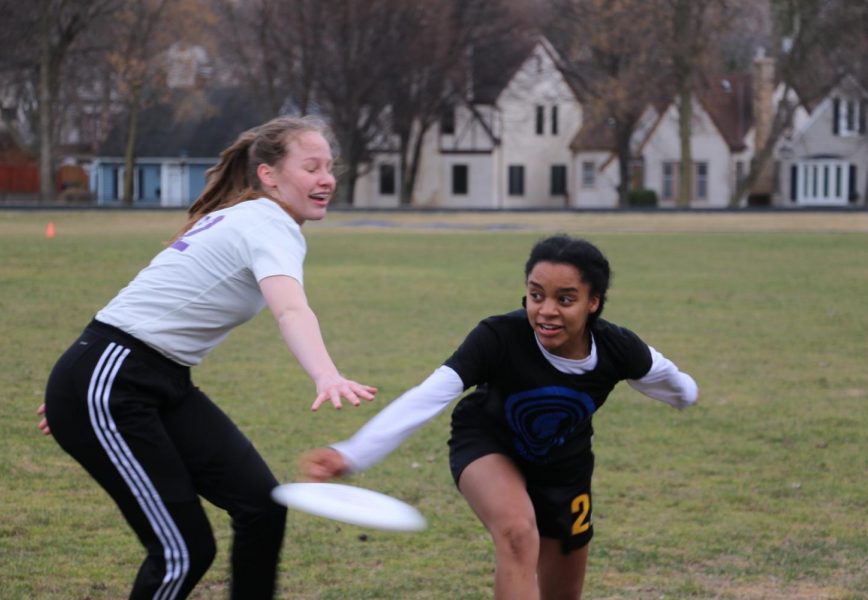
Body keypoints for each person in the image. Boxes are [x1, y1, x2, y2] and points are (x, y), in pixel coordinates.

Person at [36, 115, 376, 599]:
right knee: (183, 551)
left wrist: (80, 391)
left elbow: (157, 298)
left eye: (330, 168)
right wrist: (326, 374)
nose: (326, 179)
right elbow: (290, 309)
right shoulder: (268, 222)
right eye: (311, 167)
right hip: (116, 381)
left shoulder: (249, 216)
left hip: (137, 379)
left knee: (261, 504)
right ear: (269, 175)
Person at [302, 234, 698, 600]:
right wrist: (352, 454)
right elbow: (428, 396)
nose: (546, 311)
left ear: (593, 302)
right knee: (517, 534)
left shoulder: (618, 347)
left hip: (565, 466)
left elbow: (672, 381)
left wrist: (685, 397)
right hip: (488, 443)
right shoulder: (497, 337)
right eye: (536, 295)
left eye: (565, 299)